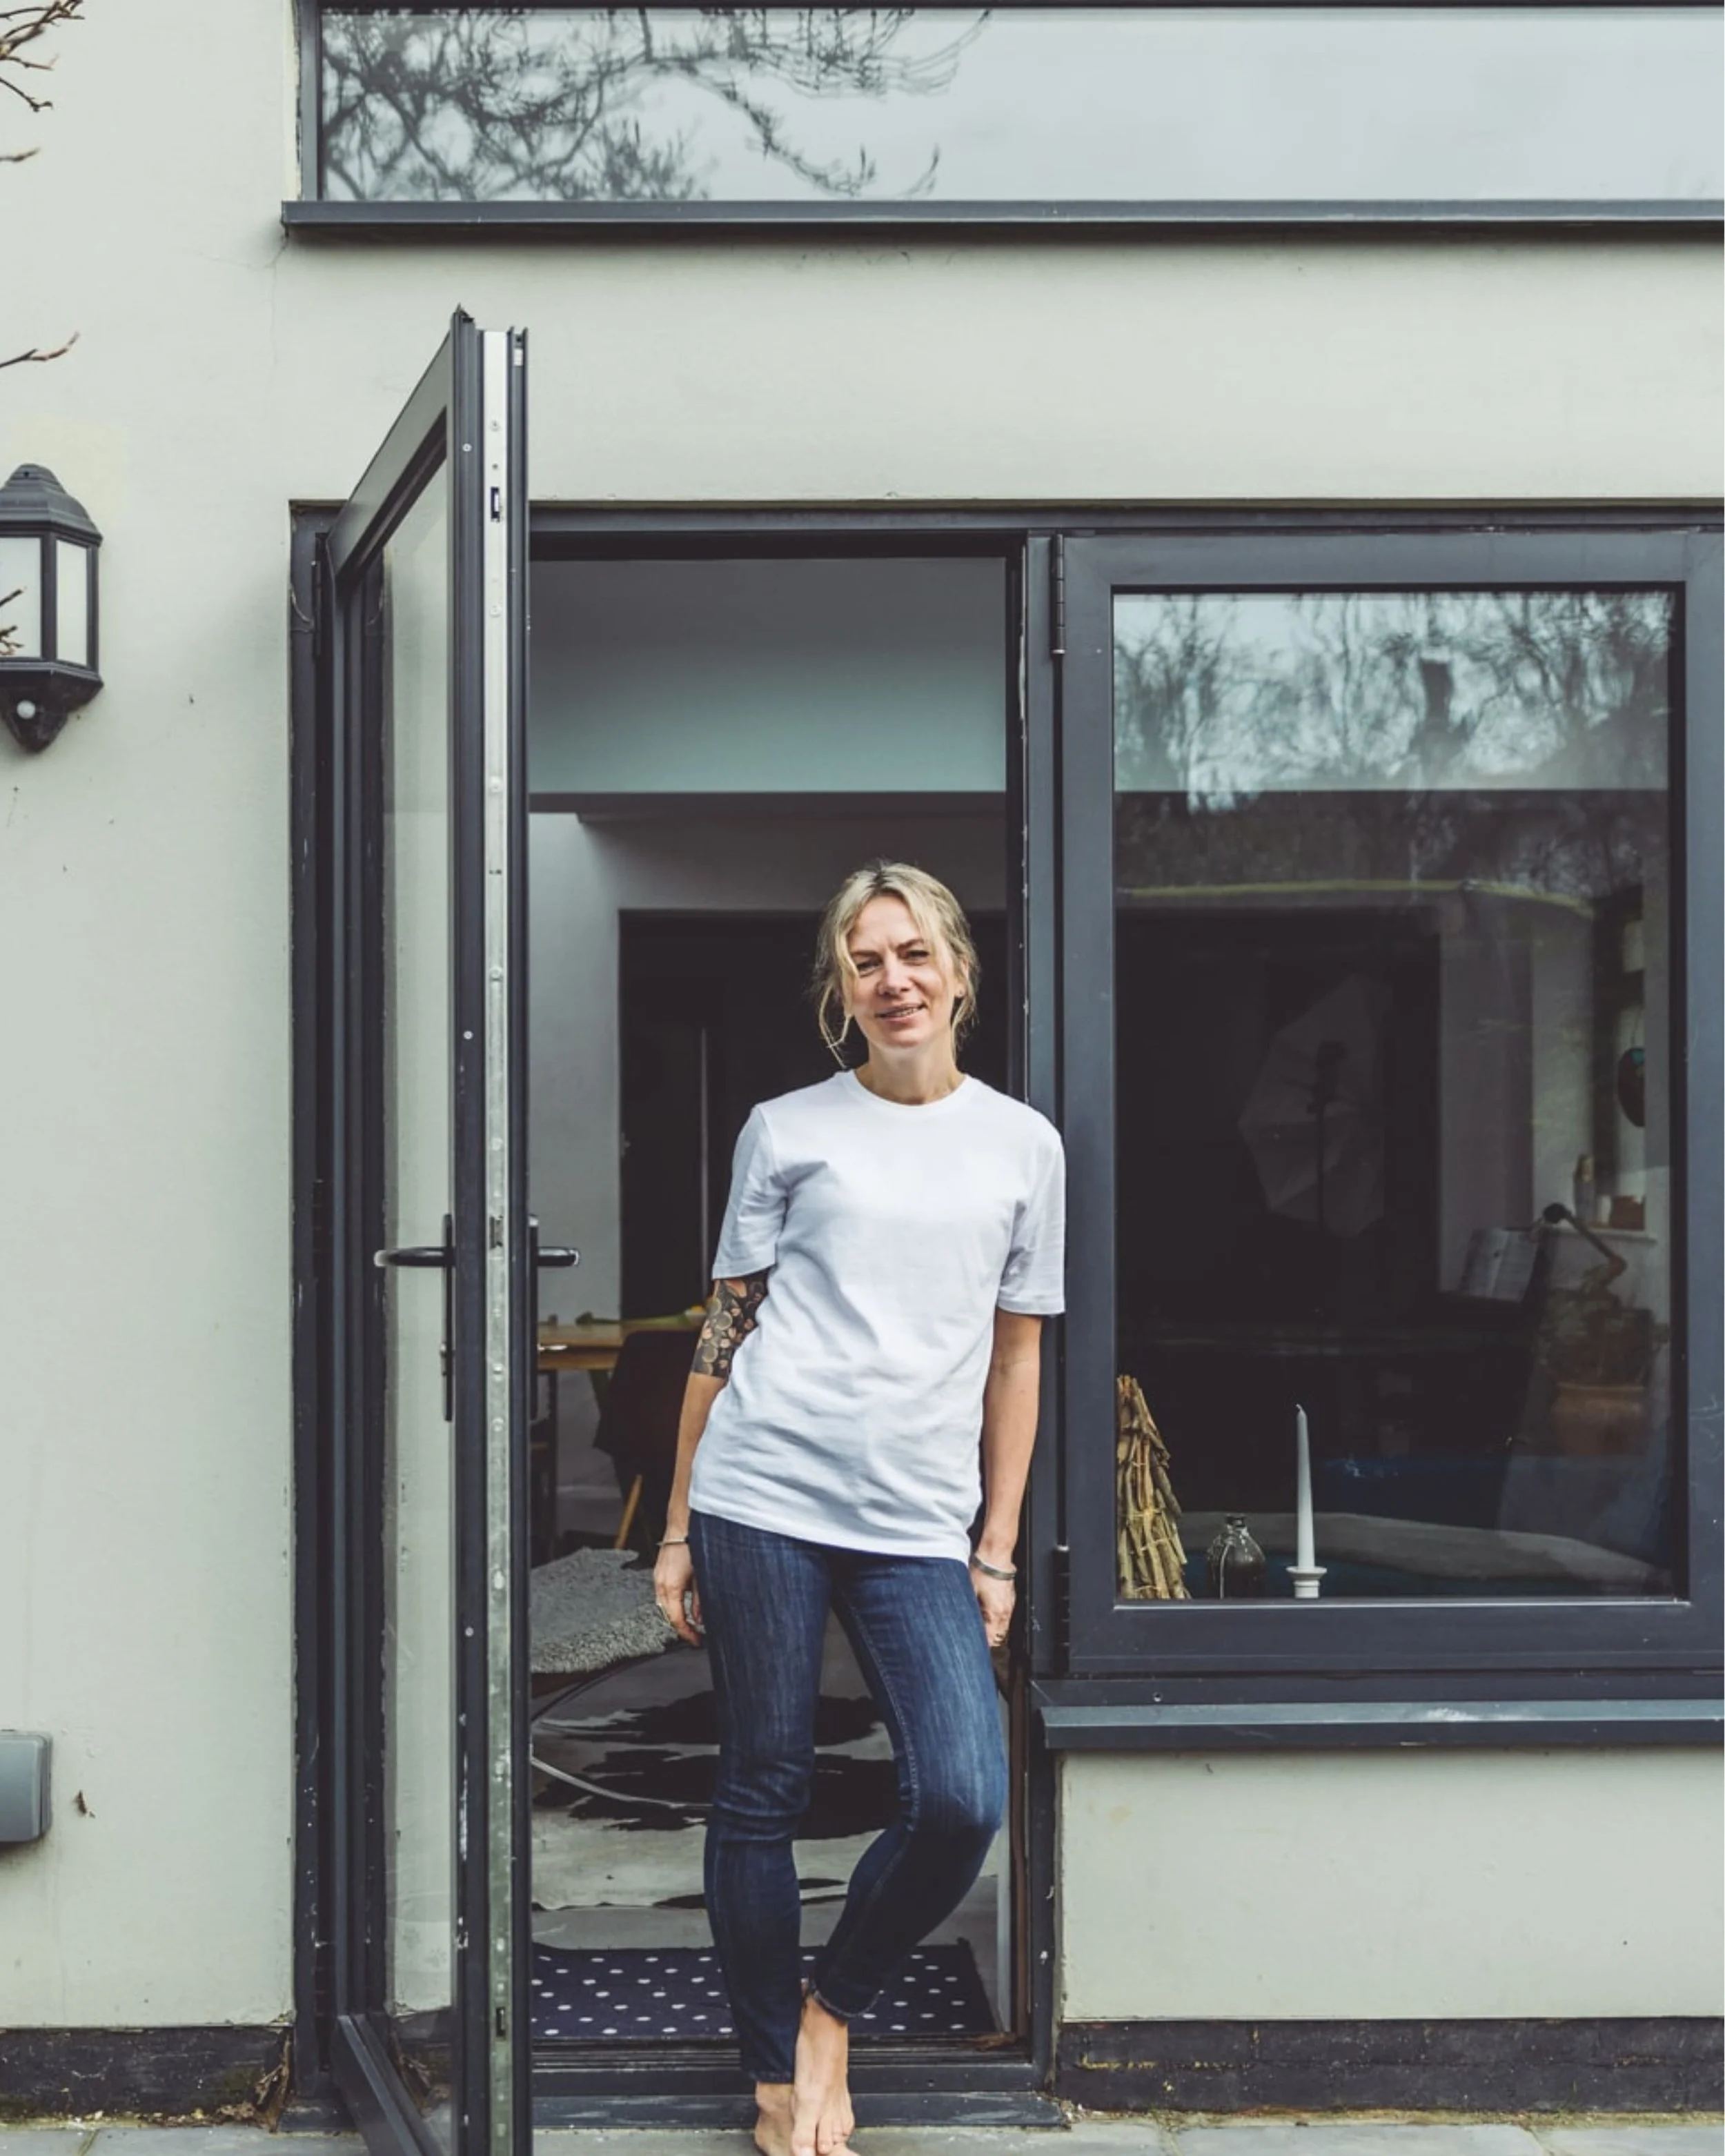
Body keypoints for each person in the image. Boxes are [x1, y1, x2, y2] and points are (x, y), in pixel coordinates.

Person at [653, 861, 1065, 2156]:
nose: (895, 980)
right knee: (760, 1790)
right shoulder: (788, 1128)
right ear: (841, 987)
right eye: (866, 961)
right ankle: (776, 2080)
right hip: (764, 1492)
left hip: (914, 1528)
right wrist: (675, 1523)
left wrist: (993, 1550)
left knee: (960, 1794)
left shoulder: (1021, 1145)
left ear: (958, 970)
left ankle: (832, 2015)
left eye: (914, 955)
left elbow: (1017, 1356)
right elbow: (725, 1330)